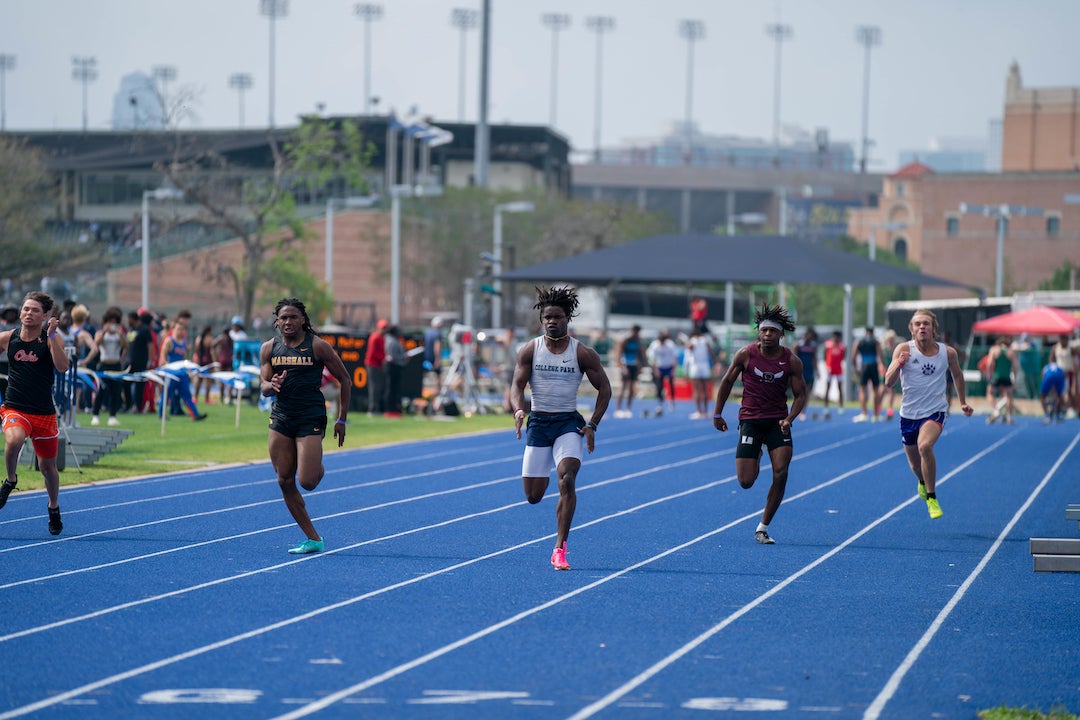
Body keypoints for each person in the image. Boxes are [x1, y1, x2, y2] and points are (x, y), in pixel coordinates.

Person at [510, 285, 611, 571]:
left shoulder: (583, 353)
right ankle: (556, 537)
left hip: (568, 423)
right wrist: (519, 410)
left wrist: (592, 424)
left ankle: (559, 548)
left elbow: (605, 389)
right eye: (547, 318)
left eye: (557, 316)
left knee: (567, 480)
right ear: (542, 320)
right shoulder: (531, 349)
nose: (552, 321)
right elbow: (516, 386)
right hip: (539, 423)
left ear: (567, 318)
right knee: (533, 496)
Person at [260, 297, 352, 555]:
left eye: (293, 317)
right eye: (283, 318)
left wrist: (342, 418)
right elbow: (264, 386)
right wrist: (272, 385)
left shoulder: (318, 346)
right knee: (284, 479)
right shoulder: (269, 348)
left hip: (310, 416)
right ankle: (313, 538)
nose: (288, 322)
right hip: (281, 417)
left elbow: (345, 379)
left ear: (303, 320)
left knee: (308, 481)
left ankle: (314, 463)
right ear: (277, 321)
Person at [712, 304, 806, 545]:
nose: (767, 335)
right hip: (751, 421)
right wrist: (717, 413)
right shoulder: (745, 354)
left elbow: (801, 395)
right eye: (764, 331)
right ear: (759, 333)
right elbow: (726, 381)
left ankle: (762, 527)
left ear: (781, 335)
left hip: (777, 423)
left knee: (782, 471)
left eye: (772, 332)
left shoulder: (791, 361)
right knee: (745, 481)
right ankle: (757, 452)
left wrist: (789, 419)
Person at [882, 308, 973, 520]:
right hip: (908, 415)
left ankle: (932, 497)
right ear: (912, 330)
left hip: (935, 412)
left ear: (934, 329)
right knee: (915, 464)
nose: (922, 327)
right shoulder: (903, 349)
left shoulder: (947, 352)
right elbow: (888, 382)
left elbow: (957, 375)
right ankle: (922, 482)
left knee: (925, 446)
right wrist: (898, 363)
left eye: (926, 324)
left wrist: (963, 402)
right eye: (918, 324)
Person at [0, 292, 71, 535]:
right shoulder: (9, 338)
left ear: (45, 316)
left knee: (48, 468)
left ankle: (53, 507)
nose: (28, 313)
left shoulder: (50, 339)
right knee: (14, 439)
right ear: (20, 312)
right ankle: (10, 480)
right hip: (15, 407)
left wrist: (51, 336)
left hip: (43, 413)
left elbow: (62, 367)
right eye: (26, 309)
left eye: (34, 310)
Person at [157, 310, 207, 421]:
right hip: (171, 373)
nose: (180, 331)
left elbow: (184, 358)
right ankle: (161, 414)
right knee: (166, 394)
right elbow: (163, 356)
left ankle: (195, 415)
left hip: (182, 373)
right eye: (178, 329)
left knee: (187, 395)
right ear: (174, 329)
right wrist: (166, 367)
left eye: (182, 329)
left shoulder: (184, 342)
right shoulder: (169, 341)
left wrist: (188, 371)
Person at [90, 306, 129, 427]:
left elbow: (125, 346)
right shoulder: (100, 333)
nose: (112, 324)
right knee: (101, 391)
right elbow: (96, 344)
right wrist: (105, 332)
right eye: (110, 322)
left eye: (114, 322)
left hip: (115, 365)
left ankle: (112, 416)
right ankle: (95, 415)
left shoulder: (119, 335)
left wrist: (121, 335)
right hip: (103, 365)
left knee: (115, 392)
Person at [850, 327, 885, 422]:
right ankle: (875, 415)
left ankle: (864, 413)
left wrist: (855, 369)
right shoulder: (875, 342)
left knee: (862, 389)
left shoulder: (859, 341)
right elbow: (880, 355)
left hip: (864, 366)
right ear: (872, 333)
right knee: (875, 390)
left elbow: (853, 356)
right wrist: (882, 366)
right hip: (873, 365)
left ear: (865, 333)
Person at [613, 324, 646, 418]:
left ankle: (628, 409)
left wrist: (641, 366)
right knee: (623, 387)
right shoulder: (625, 340)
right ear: (632, 331)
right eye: (635, 332)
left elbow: (641, 354)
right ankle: (618, 409)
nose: (636, 334)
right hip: (626, 365)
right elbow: (619, 354)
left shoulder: (638, 341)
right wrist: (622, 367)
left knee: (632, 388)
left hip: (634, 366)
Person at [985, 335, 1018, 424]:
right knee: (1009, 396)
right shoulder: (1011, 352)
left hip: (997, 376)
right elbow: (1015, 367)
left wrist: (989, 375)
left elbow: (989, 364)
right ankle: (1009, 417)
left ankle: (996, 411)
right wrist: (1014, 378)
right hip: (1007, 377)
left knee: (990, 393)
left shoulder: (994, 350)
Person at [646, 329, 679, 415]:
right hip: (659, 367)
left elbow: (675, 357)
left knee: (671, 385)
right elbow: (652, 358)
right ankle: (660, 403)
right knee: (659, 386)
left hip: (669, 367)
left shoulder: (670, 345)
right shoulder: (654, 345)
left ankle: (672, 401)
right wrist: (655, 369)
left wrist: (674, 369)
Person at [685, 328, 716, 419]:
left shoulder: (692, 341)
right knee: (705, 389)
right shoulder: (705, 341)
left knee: (697, 390)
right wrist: (715, 362)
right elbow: (711, 352)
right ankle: (705, 411)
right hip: (705, 366)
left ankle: (699, 412)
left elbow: (689, 347)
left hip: (696, 366)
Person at [363, 319, 387, 415]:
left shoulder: (381, 337)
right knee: (374, 387)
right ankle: (372, 408)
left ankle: (375, 407)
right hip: (373, 364)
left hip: (378, 364)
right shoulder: (375, 337)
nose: (384, 330)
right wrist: (385, 357)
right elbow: (373, 353)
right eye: (383, 328)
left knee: (377, 387)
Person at [794, 327, 819, 420]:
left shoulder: (813, 346)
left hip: (809, 371)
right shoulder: (798, 345)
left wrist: (817, 370)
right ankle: (797, 410)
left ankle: (803, 411)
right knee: (799, 392)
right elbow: (794, 357)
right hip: (800, 371)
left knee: (807, 392)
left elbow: (815, 358)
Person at [384, 324, 406, 417]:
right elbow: (393, 357)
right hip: (393, 367)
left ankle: (394, 409)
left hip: (396, 366)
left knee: (394, 389)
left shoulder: (393, 340)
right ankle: (390, 409)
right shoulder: (391, 342)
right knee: (391, 389)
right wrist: (404, 357)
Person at [822, 330, 845, 418]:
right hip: (829, 369)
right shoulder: (828, 344)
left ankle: (841, 407)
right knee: (827, 388)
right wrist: (826, 365)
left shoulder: (842, 346)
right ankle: (826, 407)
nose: (836, 338)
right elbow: (825, 355)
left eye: (837, 337)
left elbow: (843, 356)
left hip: (838, 369)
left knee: (840, 388)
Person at [1040, 359, 1066, 424]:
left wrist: (1047, 391)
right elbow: (1063, 375)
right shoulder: (1059, 366)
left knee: (1042, 396)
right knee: (1059, 396)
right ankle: (1057, 416)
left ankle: (1047, 416)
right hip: (1060, 376)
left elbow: (1043, 377)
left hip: (1049, 376)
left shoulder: (1046, 366)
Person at [423, 316, 444, 387]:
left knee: (423, 374)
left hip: (425, 357)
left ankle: (418, 391)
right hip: (433, 358)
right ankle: (439, 393)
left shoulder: (427, 333)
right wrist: (437, 359)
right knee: (438, 375)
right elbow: (437, 346)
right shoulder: (437, 334)